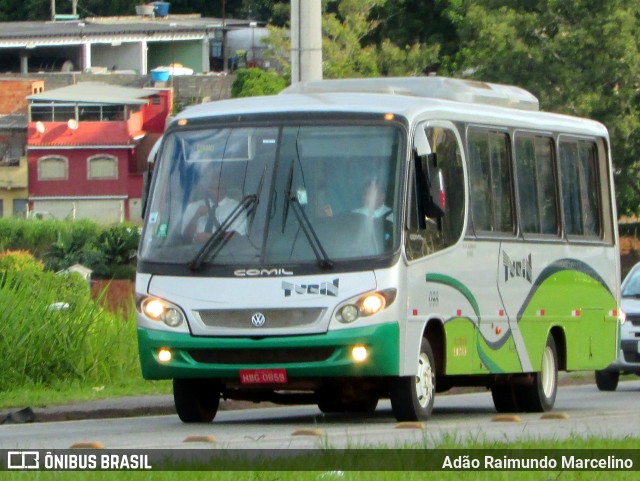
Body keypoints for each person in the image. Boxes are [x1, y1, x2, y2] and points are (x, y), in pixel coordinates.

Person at [182, 176, 247, 243]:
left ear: (225, 188)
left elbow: (238, 236)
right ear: (207, 189)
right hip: (193, 251)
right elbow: (185, 237)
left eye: (220, 188)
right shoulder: (193, 207)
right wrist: (196, 217)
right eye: (213, 188)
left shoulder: (237, 208)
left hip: (224, 251)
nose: (216, 191)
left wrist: (209, 237)